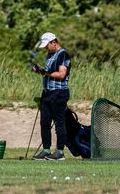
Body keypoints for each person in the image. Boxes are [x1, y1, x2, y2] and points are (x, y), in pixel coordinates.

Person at [31, 32, 71, 160]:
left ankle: (59, 152)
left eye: (47, 45)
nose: (46, 49)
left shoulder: (63, 55)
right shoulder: (50, 54)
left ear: (54, 42)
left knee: (59, 123)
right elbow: (48, 73)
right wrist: (39, 71)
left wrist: (44, 72)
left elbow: (61, 75)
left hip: (59, 93)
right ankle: (46, 150)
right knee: (45, 123)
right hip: (47, 92)